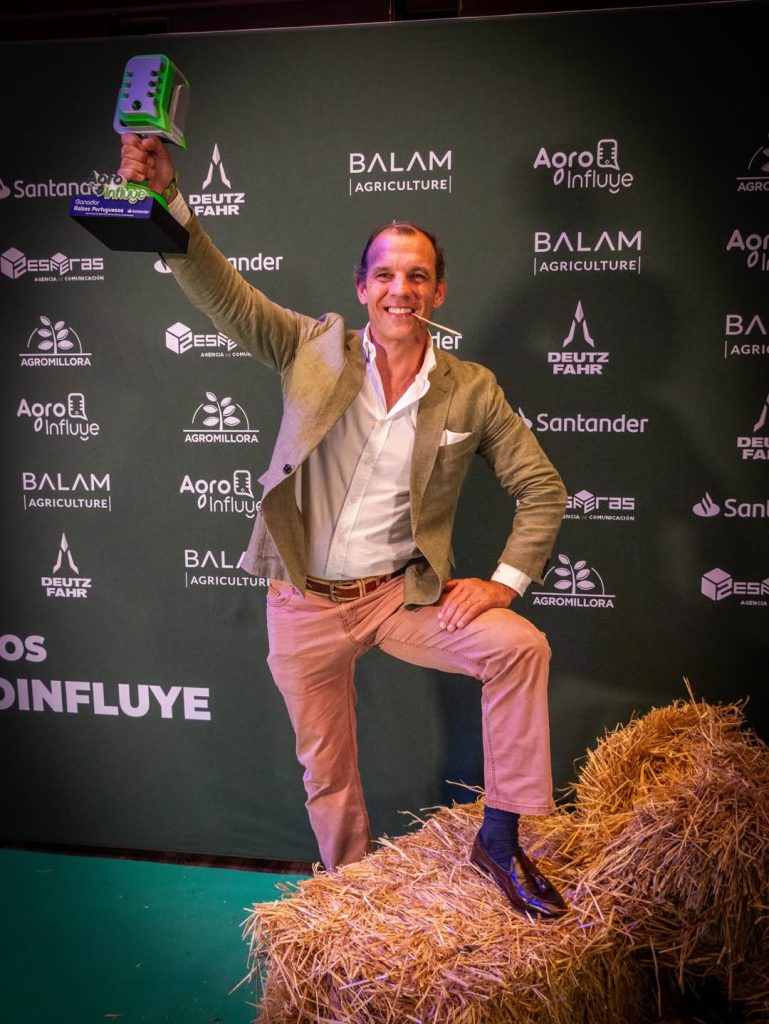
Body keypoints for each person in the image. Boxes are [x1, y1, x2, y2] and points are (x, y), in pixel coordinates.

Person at [119, 134, 569, 918]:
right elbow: (221, 290)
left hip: (397, 597)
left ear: (437, 292)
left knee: (518, 646)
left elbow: (542, 488)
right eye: (386, 274)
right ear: (362, 287)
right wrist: (165, 200)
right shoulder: (310, 348)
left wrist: (503, 583)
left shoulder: (471, 389)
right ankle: (350, 895)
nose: (401, 289)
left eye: (417, 276)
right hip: (302, 601)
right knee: (326, 770)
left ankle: (499, 839)